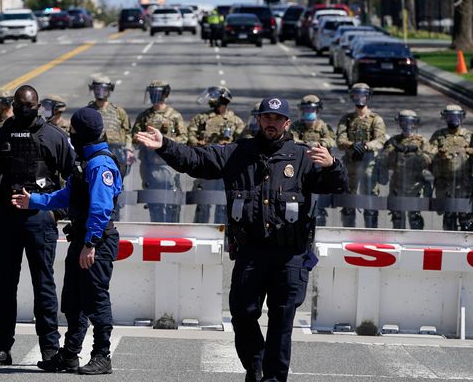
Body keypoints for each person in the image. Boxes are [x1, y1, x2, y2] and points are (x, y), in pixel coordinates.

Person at [135, 96, 348, 382]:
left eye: (276, 119)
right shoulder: (237, 153)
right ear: (258, 120)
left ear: (286, 123)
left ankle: (273, 378)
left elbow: (337, 185)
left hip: (290, 255)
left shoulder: (302, 157)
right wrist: (165, 146)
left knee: (281, 322)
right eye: (266, 118)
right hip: (251, 251)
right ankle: (255, 364)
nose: (271, 123)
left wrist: (333, 165)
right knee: (242, 313)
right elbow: (196, 160)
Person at [12, 107, 122, 375]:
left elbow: (101, 208)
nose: (69, 134)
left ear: (80, 133)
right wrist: (34, 201)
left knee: (96, 300)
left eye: (73, 130)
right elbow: (65, 196)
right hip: (83, 239)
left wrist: (90, 243)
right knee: (72, 299)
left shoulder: (100, 164)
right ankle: (70, 355)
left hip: (96, 241)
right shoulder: (85, 163)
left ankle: (102, 356)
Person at [0, 85, 75, 367]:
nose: (25, 111)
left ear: (38, 107)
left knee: (43, 284)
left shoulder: (53, 137)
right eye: (20, 106)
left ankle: (49, 347)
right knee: (5, 286)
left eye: (30, 107)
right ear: (14, 105)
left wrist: (57, 213)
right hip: (6, 222)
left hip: (39, 221)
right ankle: (1, 348)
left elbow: (74, 179)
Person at [131, 80, 187, 222]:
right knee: (154, 203)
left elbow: (184, 138)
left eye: (156, 93)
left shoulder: (174, 116)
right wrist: (142, 140)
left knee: (171, 203)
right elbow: (134, 136)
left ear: (164, 94)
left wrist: (165, 143)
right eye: (151, 93)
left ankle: (172, 231)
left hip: (169, 166)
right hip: (150, 167)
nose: (153, 96)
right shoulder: (145, 116)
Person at [188, 86, 245, 224]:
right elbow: (190, 135)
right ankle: (201, 232)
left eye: (215, 97)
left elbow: (243, 141)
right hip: (205, 167)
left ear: (223, 99)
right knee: (203, 203)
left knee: (223, 204)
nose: (211, 100)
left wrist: (229, 146)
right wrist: (198, 143)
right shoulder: (202, 118)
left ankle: (223, 235)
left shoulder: (235, 121)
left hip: (225, 169)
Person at [336, 83, 386, 228]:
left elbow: (380, 140)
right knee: (348, 203)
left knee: (370, 203)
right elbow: (340, 140)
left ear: (368, 96)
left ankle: (371, 234)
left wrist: (366, 146)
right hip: (350, 164)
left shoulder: (375, 119)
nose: (359, 98)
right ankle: (347, 233)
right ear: (352, 97)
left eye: (362, 95)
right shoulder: (347, 119)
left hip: (368, 165)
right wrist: (352, 145)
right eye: (356, 95)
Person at [87, 74, 135, 220]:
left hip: (115, 157)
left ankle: (116, 219)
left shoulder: (118, 111)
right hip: (94, 157)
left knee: (116, 190)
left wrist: (128, 149)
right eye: (97, 88)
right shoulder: (88, 111)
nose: (100, 92)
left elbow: (128, 132)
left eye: (104, 89)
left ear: (109, 90)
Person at [377, 110, 433, 230]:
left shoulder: (422, 141)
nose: (407, 125)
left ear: (415, 124)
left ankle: (417, 244)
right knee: (397, 217)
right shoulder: (394, 141)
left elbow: (429, 161)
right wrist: (392, 150)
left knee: (414, 217)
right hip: (397, 185)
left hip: (416, 185)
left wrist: (417, 151)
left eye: (410, 122)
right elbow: (384, 162)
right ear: (400, 123)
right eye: (403, 122)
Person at [429, 104, 473, 231]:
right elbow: (429, 155)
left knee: (466, 217)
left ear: (462, 117)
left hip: (465, 183)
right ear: (444, 118)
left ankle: (469, 246)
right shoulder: (439, 136)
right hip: (445, 183)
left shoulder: (470, 136)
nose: (453, 120)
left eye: (456, 116)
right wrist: (439, 156)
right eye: (450, 117)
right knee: (449, 217)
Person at [289, 95, 336, 226]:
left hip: (319, 168)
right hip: (300, 168)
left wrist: (317, 144)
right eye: (306, 109)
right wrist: (305, 145)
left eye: (312, 110)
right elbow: (292, 140)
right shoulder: (296, 126)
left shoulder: (323, 126)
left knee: (319, 203)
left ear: (318, 111)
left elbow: (331, 140)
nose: (309, 112)